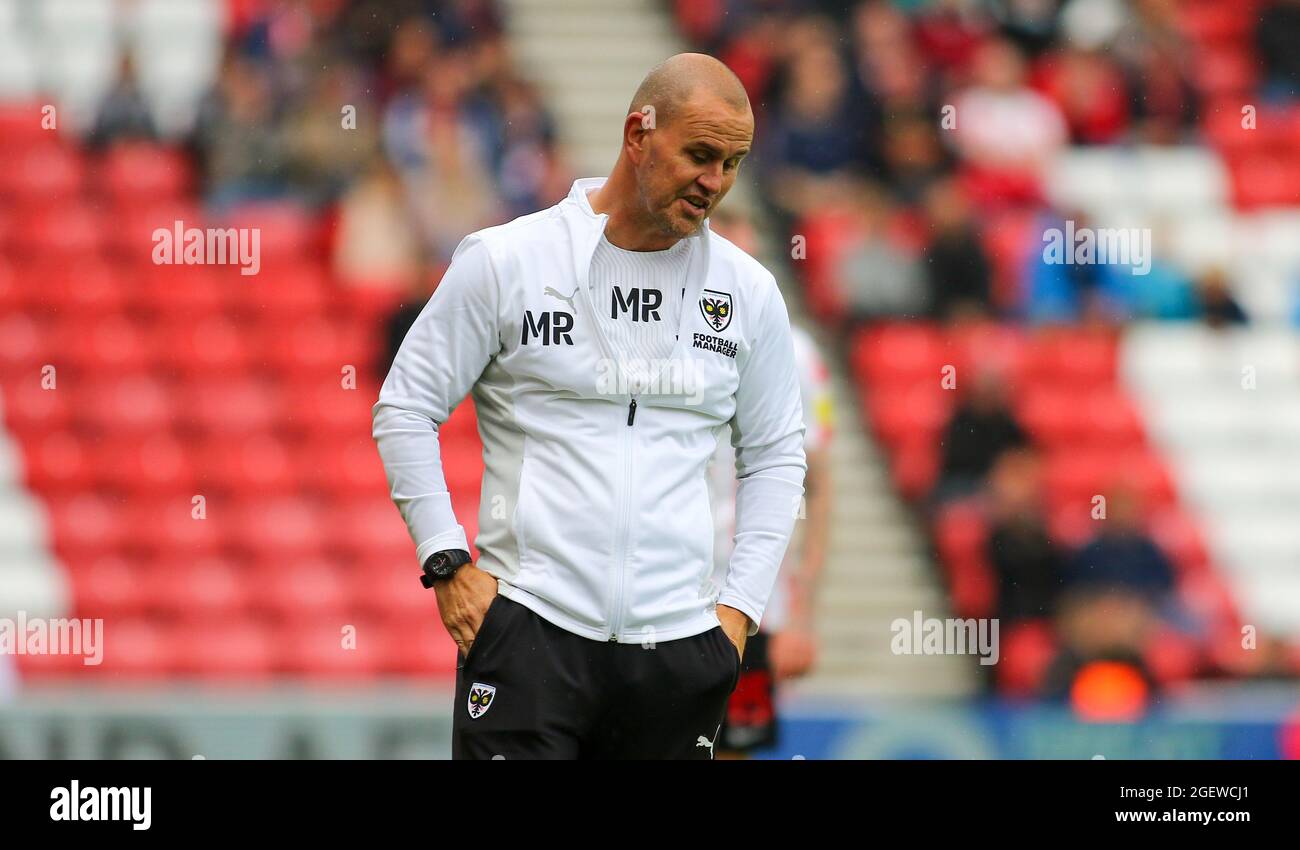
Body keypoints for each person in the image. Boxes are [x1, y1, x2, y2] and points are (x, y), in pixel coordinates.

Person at [373, 53, 807, 759]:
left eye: (732, 163)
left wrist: (739, 613)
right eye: (700, 155)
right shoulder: (506, 260)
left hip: (678, 650)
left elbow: (778, 457)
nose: (715, 182)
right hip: (530, 632)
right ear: (638, 134)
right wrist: (446, 562)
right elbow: (406, 405)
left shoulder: (750, 293)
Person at [710, 322, 832, 757]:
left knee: (731, 749)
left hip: (749, 601)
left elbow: (816, 485)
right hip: (661, 589)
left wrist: (801, 615)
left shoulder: (792, 349)